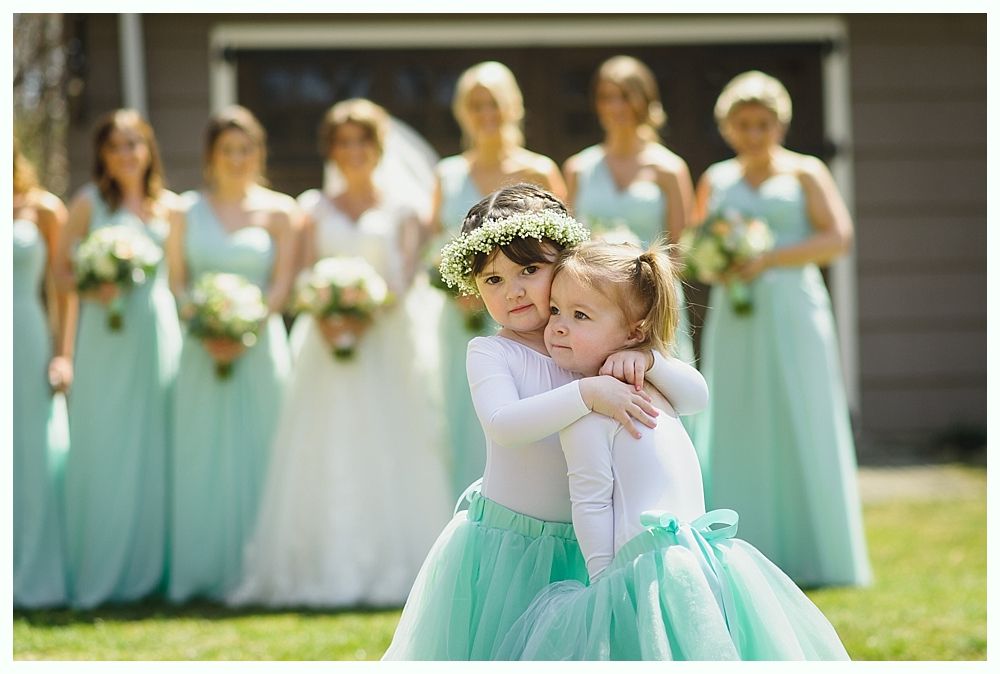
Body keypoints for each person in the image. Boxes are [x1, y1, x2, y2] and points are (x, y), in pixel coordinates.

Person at [383, 184, 709, 660]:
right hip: (510, 549)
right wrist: (586, 392)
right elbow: (504, 424)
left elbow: (696, 397)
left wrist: (648, 359)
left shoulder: (597, 339)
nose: (512, 290)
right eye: (492, 280)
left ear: (562, 263)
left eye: (529, 270)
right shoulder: (492, 352)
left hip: (592, 540)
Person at [494, 240, 849, 660]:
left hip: (666, 558)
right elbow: (589, 499)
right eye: (555, 310)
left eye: (580, 315)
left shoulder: (646, 384)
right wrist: (604, 579)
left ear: (635, 330)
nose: (557, 326)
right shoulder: (590, 406)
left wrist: (649, 360)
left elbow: (698, 397)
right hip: (665, 560)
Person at [227, 99, 451, 608]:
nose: (353, 152)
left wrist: (365, 310)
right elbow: (305, 272)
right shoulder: (313, 208)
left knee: (389, 448)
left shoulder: (404, 210)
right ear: (331, 150)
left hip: (385, 343)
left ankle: (392, 568)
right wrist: (326, 311)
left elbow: (407, 276)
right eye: (343, 142)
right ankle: (318, 565)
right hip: (324, 348)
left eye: (362, 142)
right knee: (322, 448)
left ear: (378, 149)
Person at [691, 71, 872, 587]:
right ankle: (744, 546)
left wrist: (769, 258)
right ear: (728, 127)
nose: (753, 134)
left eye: (763, 124)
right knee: (739, 411)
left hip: (793, 306)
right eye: (743, 124)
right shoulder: (717, 179)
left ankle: (815, 550)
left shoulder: (806, 173)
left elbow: (838, 238)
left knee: (802, 408)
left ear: (780, 124)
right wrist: (718, 263)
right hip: (737, 312)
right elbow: (699, 254)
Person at [165, 105, 296, 603]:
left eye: (246, 150)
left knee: (261, 452)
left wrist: (245, 324)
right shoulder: (183, 210)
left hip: (259, 348)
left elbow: (281, 286)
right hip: (199, 348)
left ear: (257, 154)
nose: (237, 159)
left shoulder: (280, 211)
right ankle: (199, 572)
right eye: (227, 150)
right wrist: (202, 321)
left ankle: (256, 571)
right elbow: (176, 280)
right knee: (200, 454)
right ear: (210, 156)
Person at [56, 109, 182, 608]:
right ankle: (99, 570)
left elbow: (177, 277)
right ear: (102, 157)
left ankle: (149, 572)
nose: (126, 154)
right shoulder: (88, 204)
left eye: (134, 144)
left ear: (148, 149)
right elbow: (60, 275)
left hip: (155, 333)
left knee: (153, 447)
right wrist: (95, 282)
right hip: (105, 338)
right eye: (115, 147)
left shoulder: (169, 208)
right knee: (104, 445)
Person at [430, 61, 569, 498]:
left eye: (494, 103)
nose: (486, 113)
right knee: (466, 408)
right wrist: (462, 286)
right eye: (475, 105)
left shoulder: (540, 169)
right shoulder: (447, 174)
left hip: (534, 314)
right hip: (463, 318)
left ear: (513, 107)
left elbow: (563, 250)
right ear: (462, 113)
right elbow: (432, 245)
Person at [565, 55, 697, 370]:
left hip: (653, 305)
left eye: (625, 96)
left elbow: (680, 252)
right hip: (594, 305)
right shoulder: (577, 169)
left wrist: (644, 290)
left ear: (645, 101)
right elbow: (567, 245)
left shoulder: (669, 169)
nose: (616, 106)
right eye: (607, 97)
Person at [13, 142, 71, 608]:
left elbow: (62, 289)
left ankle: (30, 575)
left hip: (24, 336)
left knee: (29, 453)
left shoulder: (43, 208)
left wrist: (63, 353)